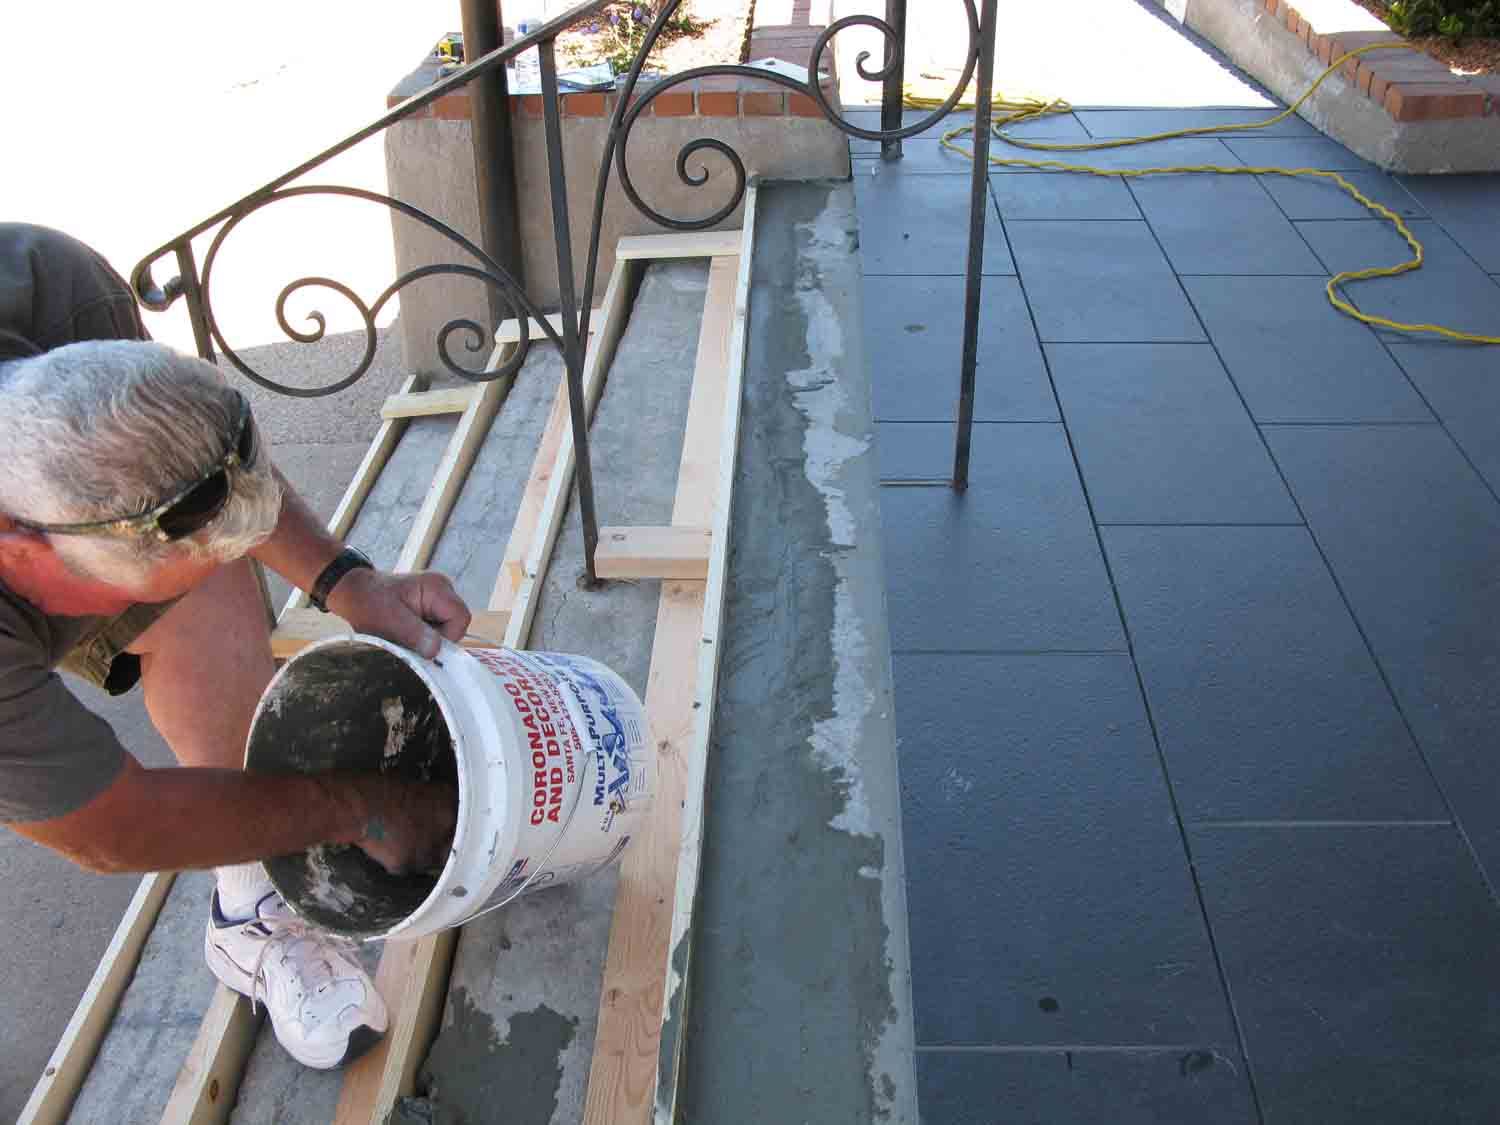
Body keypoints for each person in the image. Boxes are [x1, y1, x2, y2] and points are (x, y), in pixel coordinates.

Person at [0, 223, 468, 1070]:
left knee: (188, 544)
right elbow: (111, 824)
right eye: (137, 586)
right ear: (18, 545)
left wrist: (354, 585)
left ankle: (251, 893)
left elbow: (196, 468)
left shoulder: (51, 290)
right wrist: (363, 807)